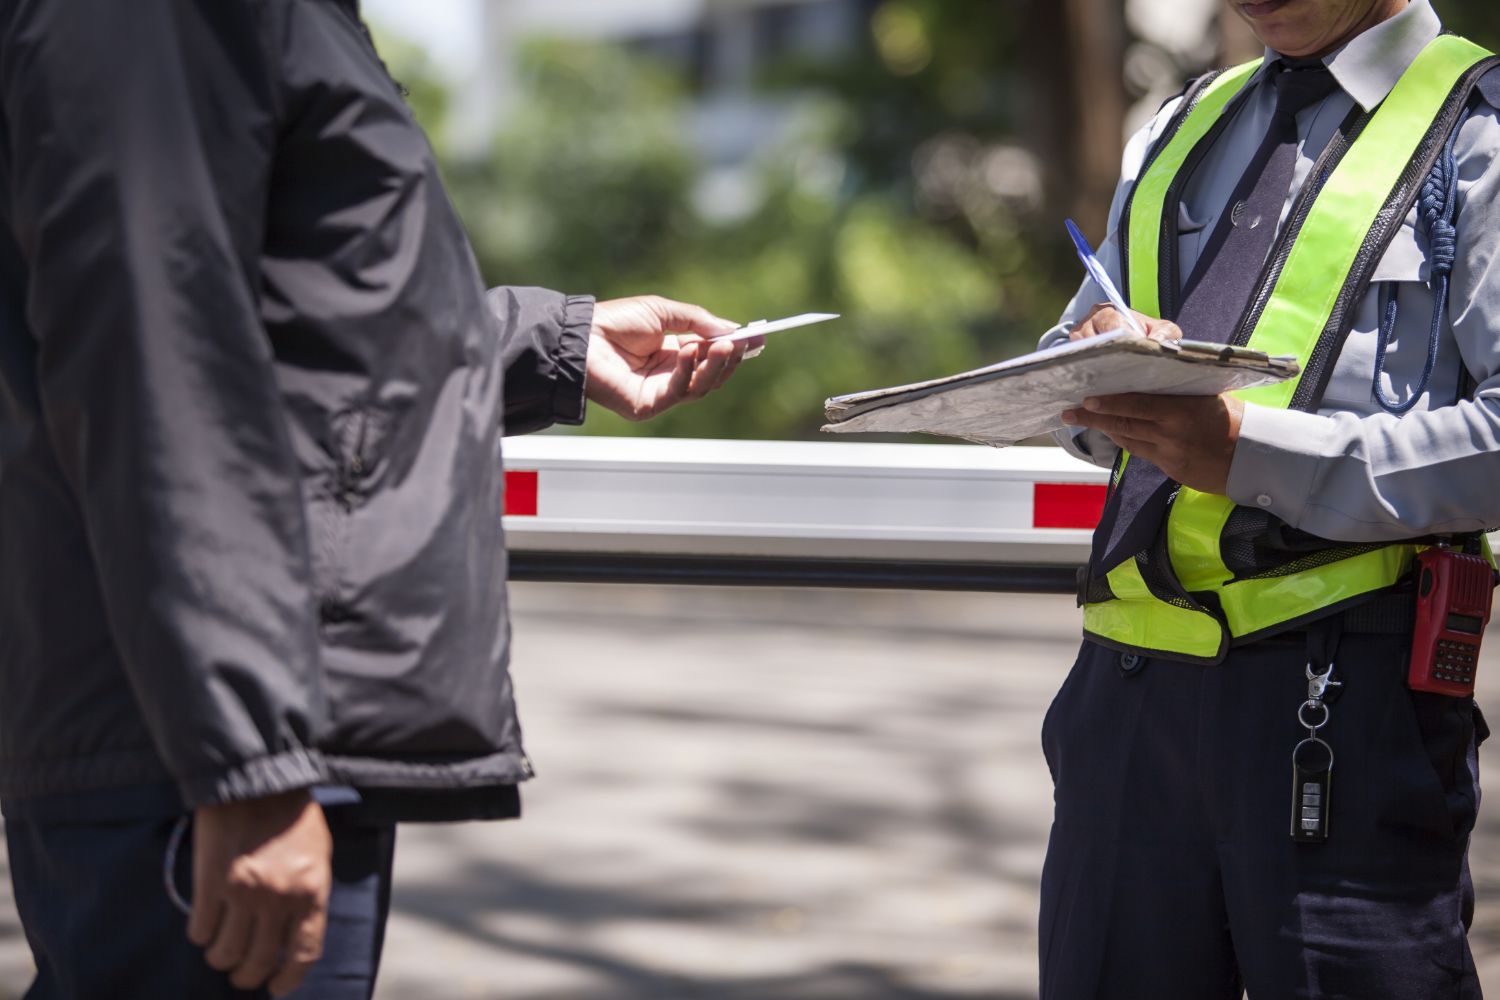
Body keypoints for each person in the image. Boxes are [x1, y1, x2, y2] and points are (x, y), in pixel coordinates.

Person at [0, 2, 754, 997]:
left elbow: (299, 329)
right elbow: (155, 358)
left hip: (231, 732)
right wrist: (248, 761)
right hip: (210, 750)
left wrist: (553, 345)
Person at [1038, 0, 1500, 996]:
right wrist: (1088, 368)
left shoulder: (1481, 130)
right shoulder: (1184, 120)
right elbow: (1072, 348)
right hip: (1125, 701)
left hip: (1343, 700)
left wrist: (1251, 452)